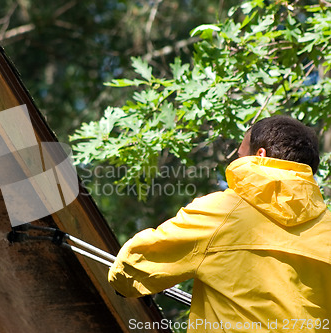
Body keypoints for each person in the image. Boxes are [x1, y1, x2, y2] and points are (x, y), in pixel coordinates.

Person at [108, 115, 331, 332]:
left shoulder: (222, 212)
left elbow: (131, 268)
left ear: (260, 155)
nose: (235, 160)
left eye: (240, 155)